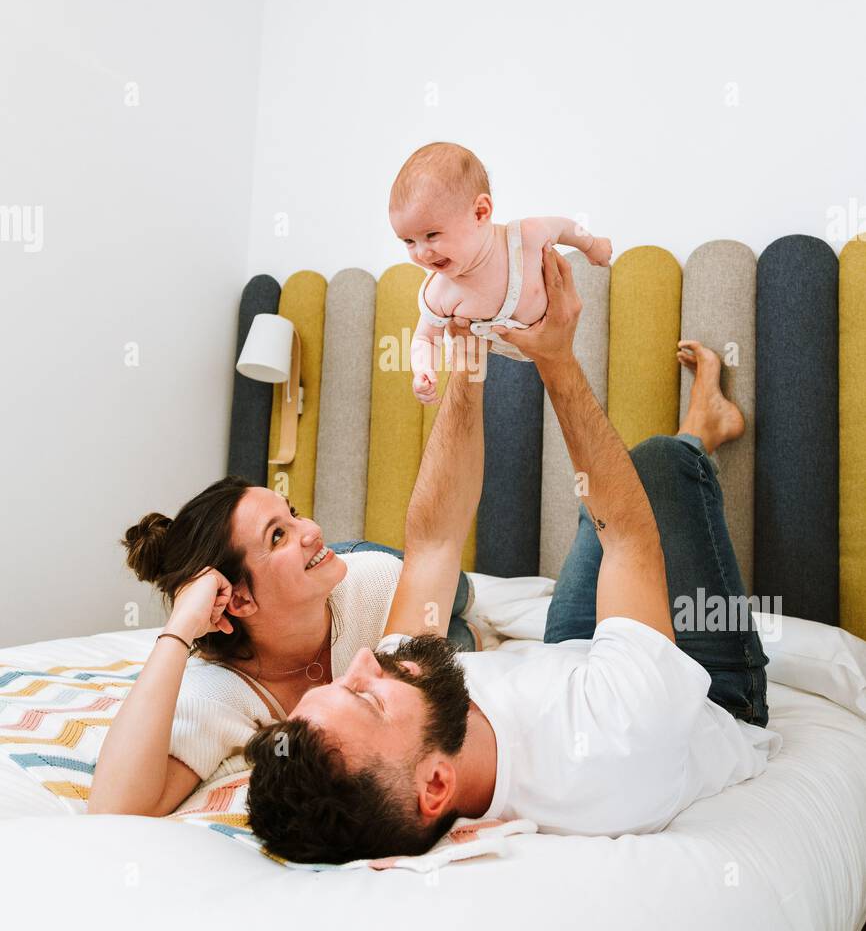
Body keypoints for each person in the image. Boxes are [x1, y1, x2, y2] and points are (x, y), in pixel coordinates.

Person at [244, 242, 781, 864]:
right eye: (364, 694)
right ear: (437, 785)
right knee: (651, 472)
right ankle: (704, 430)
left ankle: (678, 442)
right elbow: (629, 538)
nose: (363, 660)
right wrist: (555, 359)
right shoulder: (615, 737)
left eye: (344, 681)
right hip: (701, 695)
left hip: (576, 658)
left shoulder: (406, 706)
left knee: (602, 488)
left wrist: (467, 368)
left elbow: (435, 542)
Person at [88, 327, 480, 818]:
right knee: (463, 644)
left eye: (292, 512)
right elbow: (112, 813)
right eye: (278, 535)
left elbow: (436, 547)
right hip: (329, 582)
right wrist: (178, 630)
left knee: (463, 595)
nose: (311, 527)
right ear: (239, 600)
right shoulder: (219, 694)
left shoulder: (375, 581)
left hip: (360, 566)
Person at [390, 140, 611, 395]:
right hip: (494, 358)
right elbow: (425, 338)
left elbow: (564, 228)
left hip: (557, 339)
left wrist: (592, 245)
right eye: (408, 241)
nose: (422, 253)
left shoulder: (524, 238)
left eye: (432, 235)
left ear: (480, 213)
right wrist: (423, 370)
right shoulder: (440, 292)